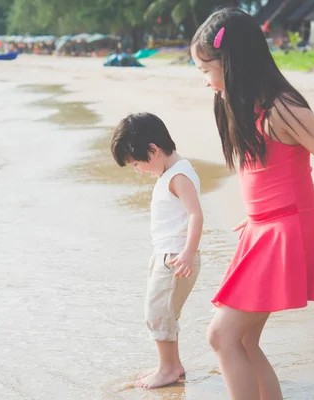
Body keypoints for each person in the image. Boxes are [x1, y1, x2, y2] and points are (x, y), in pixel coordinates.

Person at [190, 8, 314, 400]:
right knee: (243, 341)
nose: (205, 81)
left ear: (231, 61)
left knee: (220, 335)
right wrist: (254, 219)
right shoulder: (235, 104)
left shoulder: (282, 108)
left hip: (289, 231)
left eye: (205, 70)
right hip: (262, 231)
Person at [110, 112, 203, 389]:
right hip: (167, 254)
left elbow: (196, 215)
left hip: (175, 256)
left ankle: (167, 368)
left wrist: (187, 252)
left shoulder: (178, 176)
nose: (138, 169)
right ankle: (172, 364)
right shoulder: (171, 173)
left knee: (157, 313)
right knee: (164, 313)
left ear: (153, 150)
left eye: (137, 163)